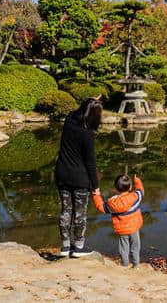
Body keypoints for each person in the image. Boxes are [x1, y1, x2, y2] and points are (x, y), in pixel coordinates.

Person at [55, 97, 102, 258]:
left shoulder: (69, 122)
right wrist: (95, 187)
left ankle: (65, 246)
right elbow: (90, 163)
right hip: (80, 178)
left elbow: (74, 112)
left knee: (65, 211)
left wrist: (90, 102)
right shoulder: (87, 134)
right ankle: (79, 247)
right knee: (80, 213)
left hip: (62, 174)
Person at [92, 174, 144, 268]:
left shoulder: (113, 204)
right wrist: (137, 180)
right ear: (130, 187)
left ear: (115, 189)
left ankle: (125, 264)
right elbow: (141, 190)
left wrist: (96, 195)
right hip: (134, 227)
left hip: (123, 230)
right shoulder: (135, 197)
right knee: (135, 246)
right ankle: (136, 264)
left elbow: (101, 207)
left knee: (124, 247)